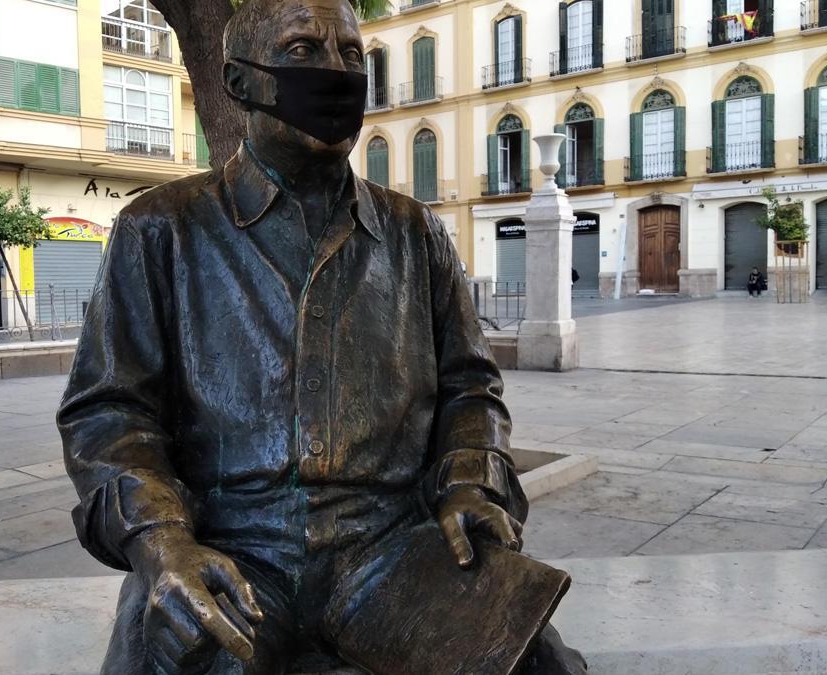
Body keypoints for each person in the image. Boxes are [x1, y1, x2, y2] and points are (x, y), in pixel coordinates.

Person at [57, 1, 586, 673]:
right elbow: (108, 414)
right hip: (233, 550)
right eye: (304, 51)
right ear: (240, 83)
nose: (336, 72)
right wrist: (163, 543)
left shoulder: (415, 232)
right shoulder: (159, 229)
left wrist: (470, 485)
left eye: (351, 55)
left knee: (538, 663)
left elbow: (470, 390)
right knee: (195, 659)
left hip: (389, 555)